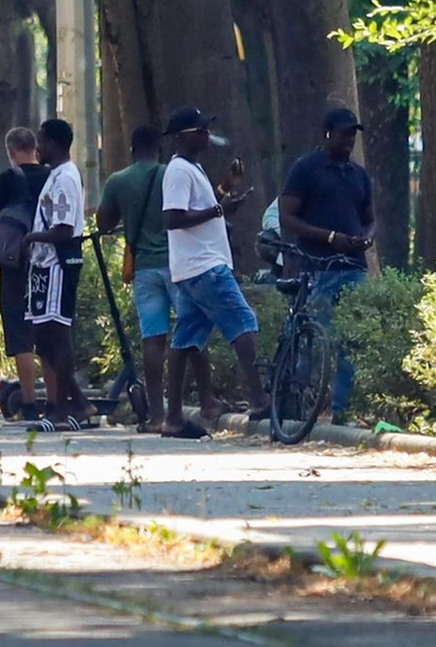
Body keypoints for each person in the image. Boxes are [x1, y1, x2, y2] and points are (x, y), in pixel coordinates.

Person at [98, 126, 228, 431]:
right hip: (178, 265)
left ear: (131, 148)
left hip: (144, 269)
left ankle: (157, 415)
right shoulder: (174, 173)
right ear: (159, 147)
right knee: (191, 333)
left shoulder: (118, 181)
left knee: (153, 339)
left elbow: (104, 223)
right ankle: (207, 400)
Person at [161, 106, 269, 439]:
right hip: (204, 267)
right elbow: (173, 218)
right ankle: (260, 399)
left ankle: (174, 417)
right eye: (200, 130)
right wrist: (221, 208)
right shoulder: (179, 171)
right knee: (244, 322)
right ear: (182, 137)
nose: (207, 135)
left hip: (192, 268)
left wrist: (223, 189)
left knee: (186, 339)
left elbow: (199, 210)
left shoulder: (192, 169)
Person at [278, 107, 375, 425]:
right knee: (315, 338)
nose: (349, 139)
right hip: (318, 266)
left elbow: (370, 220)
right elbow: (288, 217)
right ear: (328, 133)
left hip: (354, 266)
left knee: (352, 338)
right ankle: (296, 403)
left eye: (353, 133)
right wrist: (329, 236)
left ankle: (340, 409)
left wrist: (365, 238)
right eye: (345, 132)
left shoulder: (359, 175)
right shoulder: (306, 169)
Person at [24, 119, 88, 431]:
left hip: (57, 262)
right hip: (43, 265)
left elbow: (63, 228)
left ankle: (61, 410)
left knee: (57, 334)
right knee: (42, 337)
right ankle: (80, 401)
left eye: (41, 141)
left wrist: (32, 238)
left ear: (55, 143)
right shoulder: (55, 176)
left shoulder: (65, 178)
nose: (37, 147)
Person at [0, 127, 52, 421]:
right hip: (47, 261)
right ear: (36, 148)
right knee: (49, 329)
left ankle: (28, 401)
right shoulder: (51, 176)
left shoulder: (7, 179)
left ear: (11, 151)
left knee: (19, 331)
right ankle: (54, 399)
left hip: (15, 264)